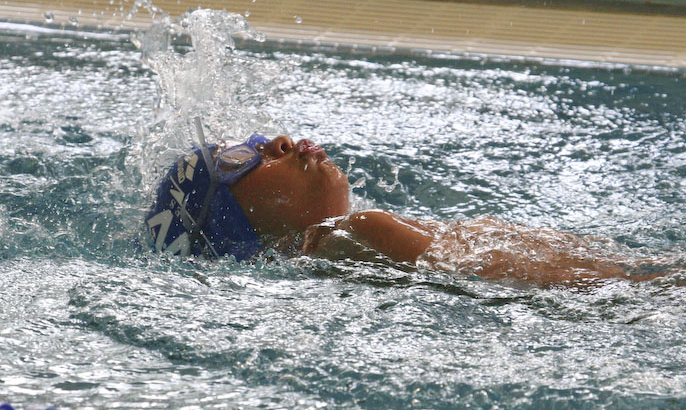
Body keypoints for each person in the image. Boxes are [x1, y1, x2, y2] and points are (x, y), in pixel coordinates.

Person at [145, 124, 669, 288]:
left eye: (258, 140)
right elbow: (545, 281)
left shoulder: (344, 243)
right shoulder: (360, 231)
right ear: (234, 223)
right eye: (242, 160)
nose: (279, 141)